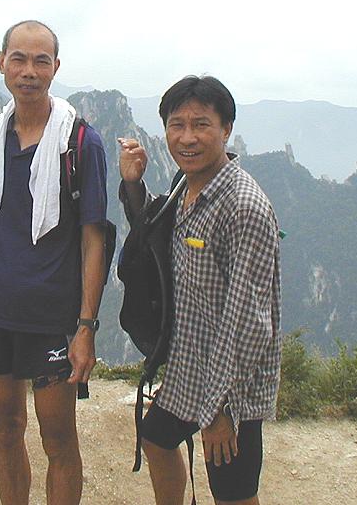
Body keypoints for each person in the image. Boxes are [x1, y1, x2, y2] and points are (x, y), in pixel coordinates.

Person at [0, 20, 108, 505]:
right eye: (19, 59)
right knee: (6, 427)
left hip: (51, 317)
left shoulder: (80, 143)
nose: (29, 71)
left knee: (58, 439)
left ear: (55, 67)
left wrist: (85, 326)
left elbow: (93, 239)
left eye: (41, 61)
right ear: (2, 63)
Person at [118, 75, 282, 505]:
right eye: (177, 125)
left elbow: (248, 323)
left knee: (232, 492)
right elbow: (154, 234)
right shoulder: (186, 186)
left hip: (233, 383)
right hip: (191, 365)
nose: (187, 137)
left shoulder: (242, 207)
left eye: (201, 125)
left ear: (226, 129)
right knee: (156, 437)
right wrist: (133, 184)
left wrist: (219, 410)